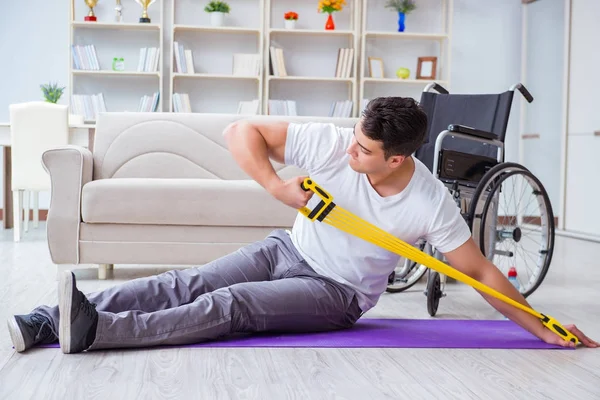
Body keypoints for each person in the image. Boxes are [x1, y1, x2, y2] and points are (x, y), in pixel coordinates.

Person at [7, 97, 598, 354]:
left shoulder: (429, 201)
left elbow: (480, 270)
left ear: (398, 159)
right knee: (191, 282)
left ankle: (96, 333)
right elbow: (240, 134)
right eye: (356, 139)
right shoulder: (339, 143)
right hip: (286, 248)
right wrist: (276, 185)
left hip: (335, 292)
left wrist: (541, 326)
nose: (350, 152)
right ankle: (47, 320)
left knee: (232, 305)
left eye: (365, 150)